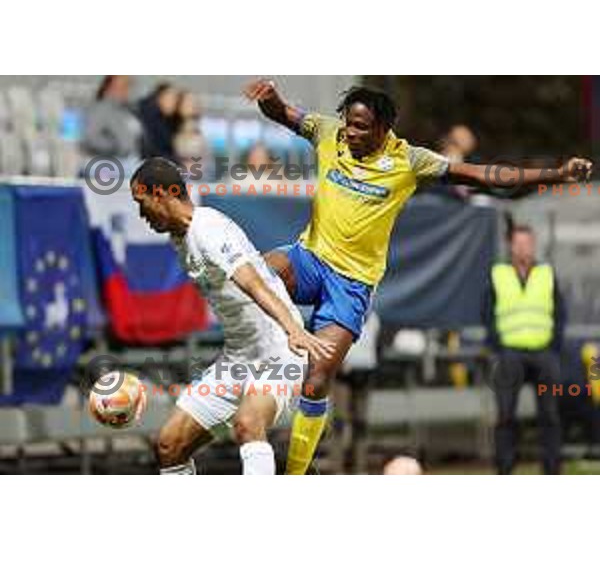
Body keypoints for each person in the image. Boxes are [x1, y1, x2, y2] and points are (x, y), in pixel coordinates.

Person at [244, 78, 592, 475]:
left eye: (361, 127)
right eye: (349, 124)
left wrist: (556, 174)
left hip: (351, 284)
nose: (351, 133)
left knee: (316, 380)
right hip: (309, 259)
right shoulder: (327, 132)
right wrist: (270, 99)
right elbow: (283, 114)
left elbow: (483, 175)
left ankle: (296, 474)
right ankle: (251, 360)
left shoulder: (410, 161)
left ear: (382, 129)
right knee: (257, 271)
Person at [130, 158, 334, 475]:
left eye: (141, 203)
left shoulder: (207, 229)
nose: (141, 214)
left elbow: (252, 282)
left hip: (279, 354)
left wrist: (293, 328)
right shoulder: (180, 238)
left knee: (248, 424)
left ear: (161, 195)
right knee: (170, 445)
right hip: (238, 361)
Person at [483, 224, 566, 474]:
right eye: (518, 243)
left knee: (550, 416)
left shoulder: (546, 272)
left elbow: (560, 313)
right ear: (510, 246)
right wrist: (497, 346)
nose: (523, 248)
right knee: (506, 415)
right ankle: (505, 470)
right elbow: (486, 313)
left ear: (534, 244)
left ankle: (552, 471)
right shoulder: (498, 273)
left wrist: (553, 346)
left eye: (527, 243)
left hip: (543, 354)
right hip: (510, 355)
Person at [82, 75, 142, 158]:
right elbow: (90, 138)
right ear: (109, 87)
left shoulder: (127, 110)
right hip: (110, 164)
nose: (125, 90)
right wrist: (116, 147)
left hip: (131, 161)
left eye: (127, 86)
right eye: (121, 87)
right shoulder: (100, 109)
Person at [138, 83, 179, 159]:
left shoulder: (165, 119)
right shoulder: (150, 118)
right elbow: (154, 149)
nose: (174, 103)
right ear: (159, 97)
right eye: (171, 98)